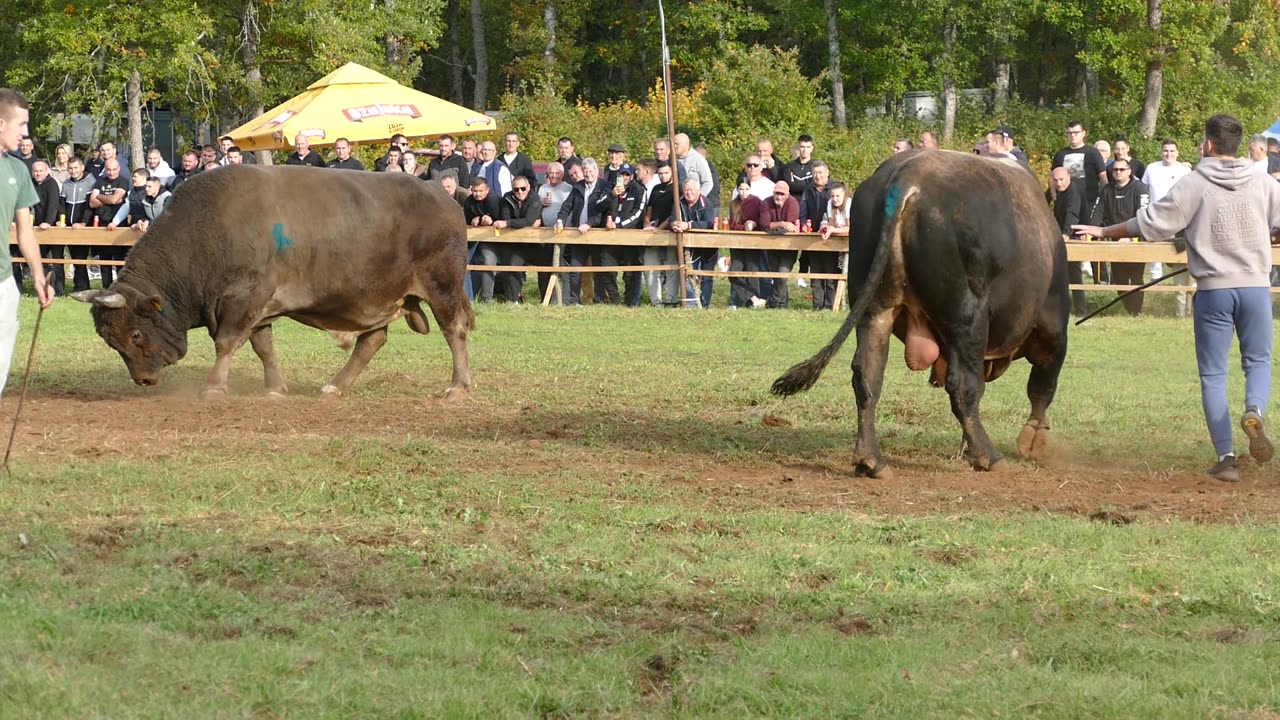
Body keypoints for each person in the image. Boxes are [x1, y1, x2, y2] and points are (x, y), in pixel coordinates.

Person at [1073, 114, 1280, 482]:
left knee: (1214, 375)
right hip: (1254, 287)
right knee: (1258, 361)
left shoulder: (1194, 183)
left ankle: (1226, 457)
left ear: (1209, 145)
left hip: (1214, 290)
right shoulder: (1264, 182)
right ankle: (1254, 410)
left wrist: (1104, 230)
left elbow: (1149, 224)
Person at [0, 88, 55, 394]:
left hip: (4, 285)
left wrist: (38, 275)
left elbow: (25, 232)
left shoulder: (18, 171)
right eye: (21, 125)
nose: (26, 133)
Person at [1141, 139, 1195, 317]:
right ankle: (1155, 278)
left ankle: (1190, 310)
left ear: (1177, 153)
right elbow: (1145, 191)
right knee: (1156, 248)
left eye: (1172, 151)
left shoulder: (1184, 170)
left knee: (1181, 257)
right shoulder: (1151, 168)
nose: (1169, 154)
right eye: (1165, 151)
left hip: (1180, 219)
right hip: (1157, 214)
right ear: (1161, 152)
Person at [1097, 158, 1150, 316]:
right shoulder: (1106, 190)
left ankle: (1136, 311)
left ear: (1129, 171)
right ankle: (1130, 310)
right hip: (1115, 241)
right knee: (1119, 280)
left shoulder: (1140, 188)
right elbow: (1098, 213)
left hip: (1136, 240)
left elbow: (1144, 215)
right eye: (1115, 170)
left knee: (1135, 278)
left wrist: (1131, 236)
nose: (1118, 173)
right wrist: (1092, 230)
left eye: (1121, 170)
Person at [1049, 167, 1088, 316]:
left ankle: (1081, 310)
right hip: (1060, 235)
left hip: (1074, 235)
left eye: (1061, 180)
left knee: (1074, 273)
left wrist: (1065, 236)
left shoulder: (1074, 191)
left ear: (1069, 178)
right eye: (1056, 180)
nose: (1059, 183)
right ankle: (1059, 307)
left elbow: (1072, 214)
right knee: (1058, 273)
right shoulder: (1056, 190)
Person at [815, 181, 851, 311]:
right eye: (832, 196)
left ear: (844, 195)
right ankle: (835, 304)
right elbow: (831, 224)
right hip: (837, 243)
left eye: (838, 196)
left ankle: (845, 303)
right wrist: (825, 228)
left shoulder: (849, 204)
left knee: (847, 273)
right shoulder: (830, 204)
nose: (835, 199)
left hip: (851, 243)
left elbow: (850, 228)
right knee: (836, 272)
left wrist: (832, 230)